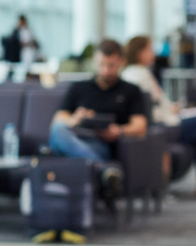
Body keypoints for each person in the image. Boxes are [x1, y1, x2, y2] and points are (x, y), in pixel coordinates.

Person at [122, 35, 196, 197]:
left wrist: (173, 109)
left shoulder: (139, 72)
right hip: (158, 126)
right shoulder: (137, 75)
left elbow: (156, 103)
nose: (153, 53)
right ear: (139, 52)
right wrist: (171, 111)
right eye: (150, 49)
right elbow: (147, 107)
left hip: (162, 121)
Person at [48, 38, 147, 201]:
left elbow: (140, 126)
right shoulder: (79, 88)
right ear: (94, 62)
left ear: (121, 62)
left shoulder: (130, 91)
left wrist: (119, 131)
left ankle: (97, 167)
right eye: (102, 65)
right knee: (58, 131)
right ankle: (103, 170)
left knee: (62, 141)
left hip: (100, 144)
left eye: (111, 65)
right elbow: (58, 119)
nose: (106, 71)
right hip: (75, 137)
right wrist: (75, 119)